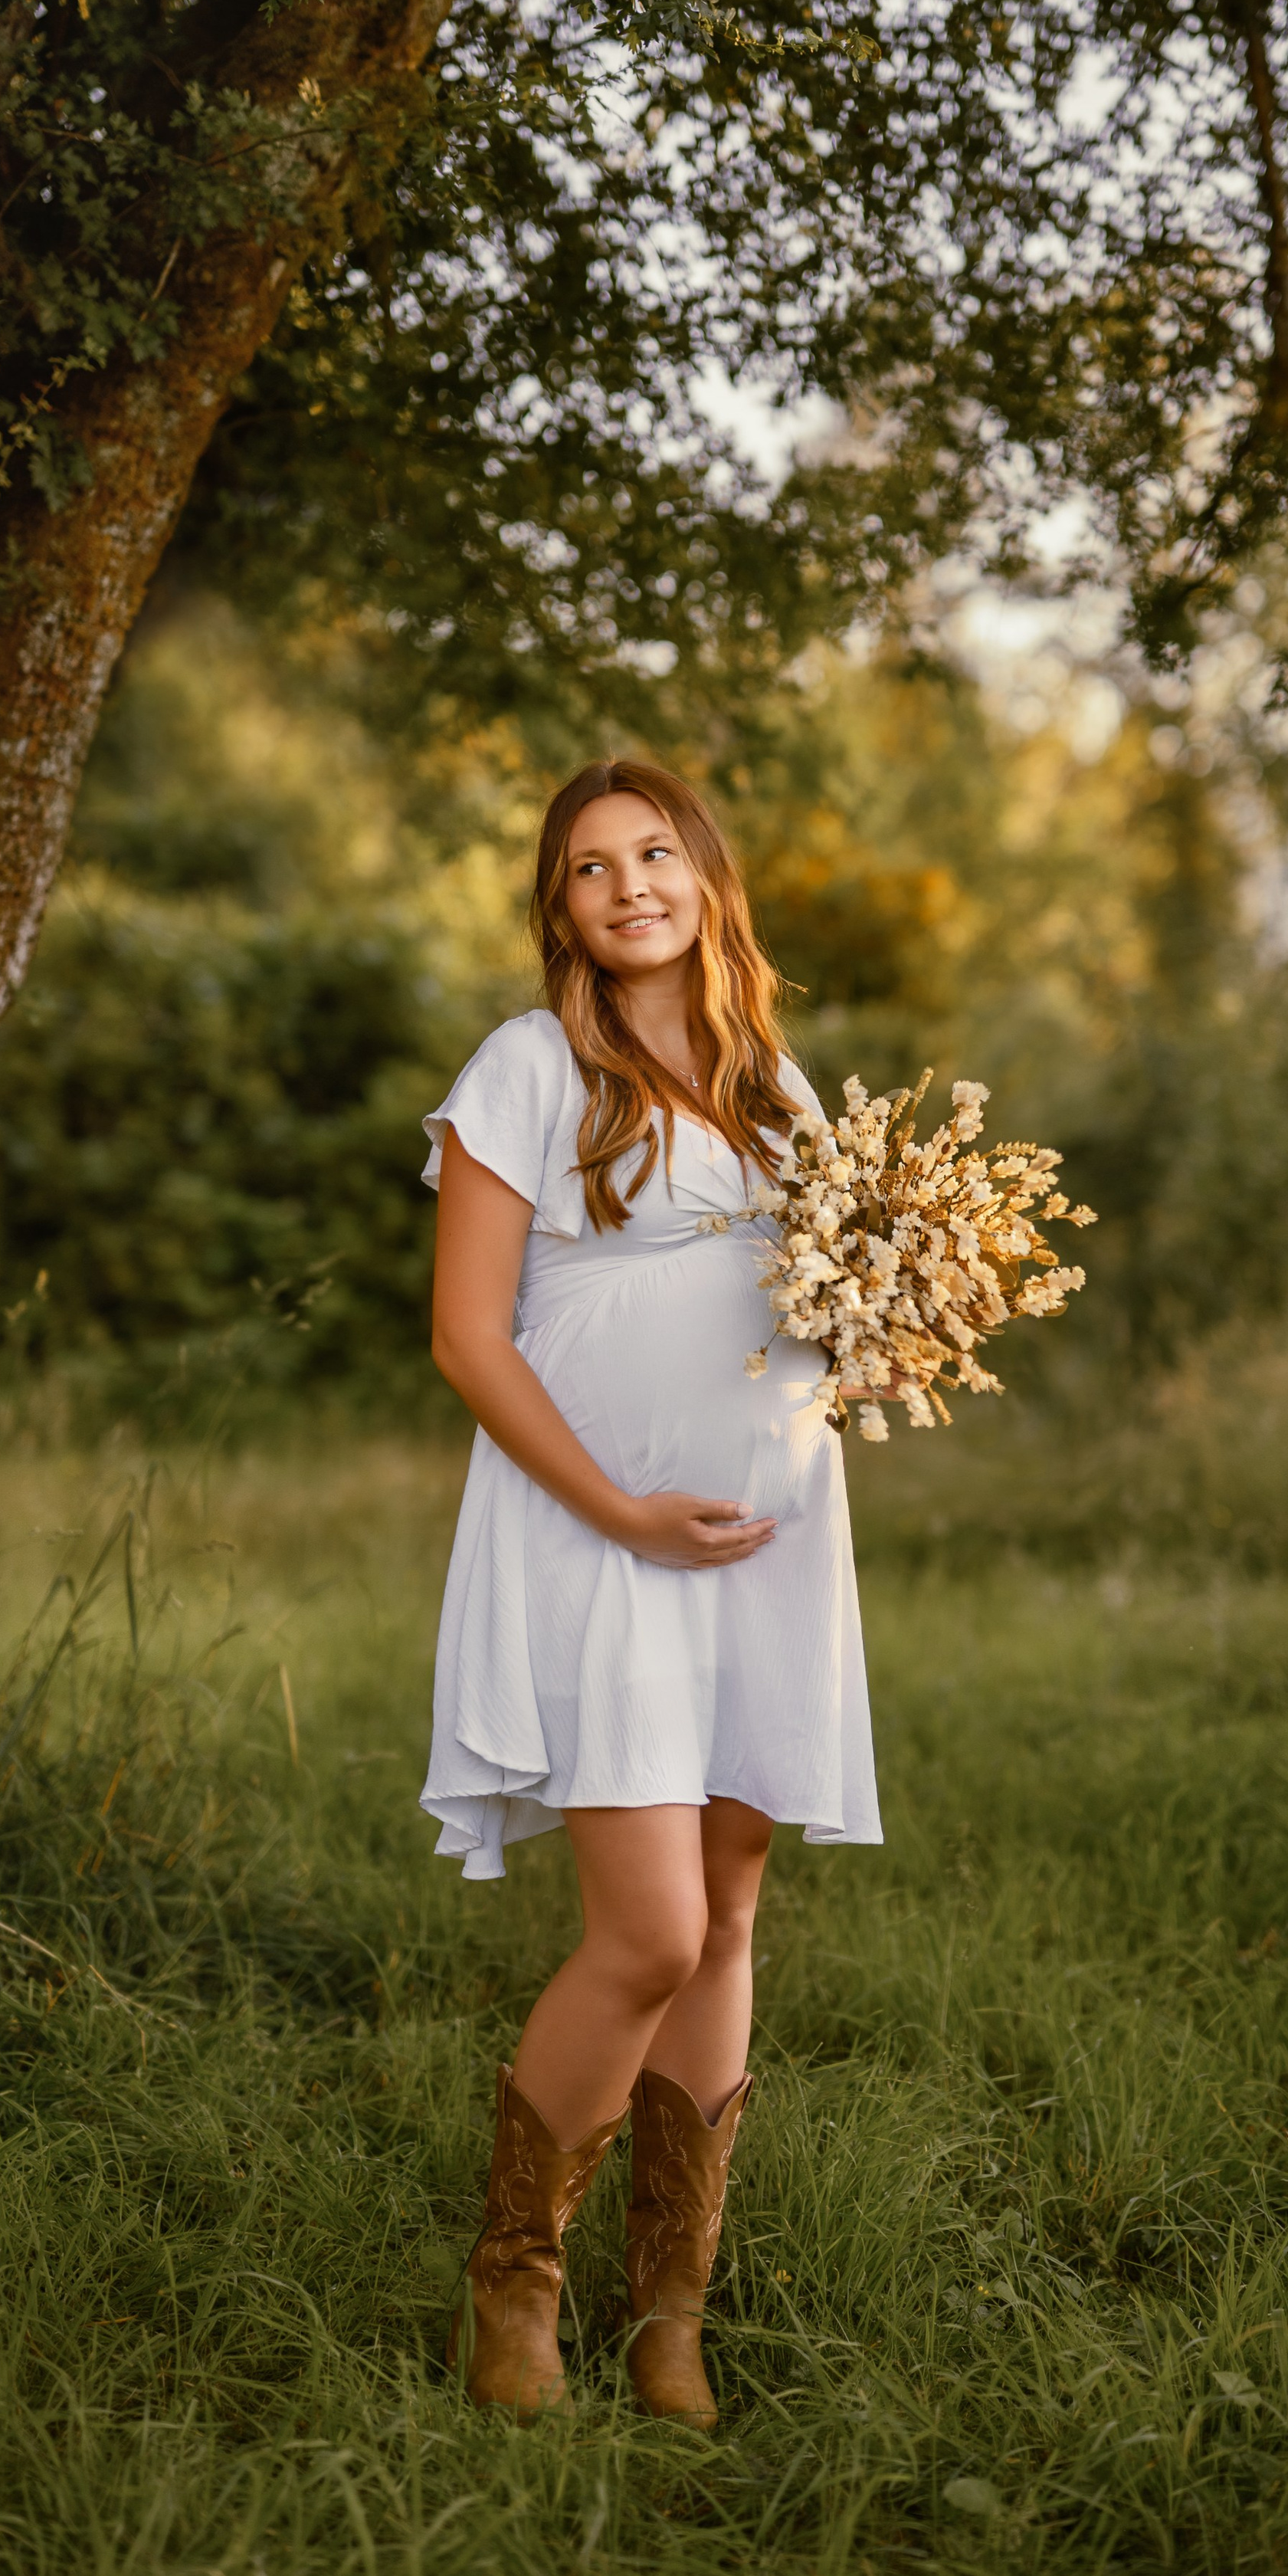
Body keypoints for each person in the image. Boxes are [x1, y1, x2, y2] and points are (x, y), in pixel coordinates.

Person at [421, 755, 881, 2423]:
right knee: (649, 1929)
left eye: (655, 853)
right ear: (560, 905)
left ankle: (667, 2314)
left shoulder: (778, 1081)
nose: (628, 886)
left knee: (734, 1914)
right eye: (590, 866)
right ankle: (515, 2292)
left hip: (763, 1534)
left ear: (706, 875)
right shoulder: (531, 1066)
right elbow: (466, 1333)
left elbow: (836, 1310)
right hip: (595, 1532)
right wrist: (619, 1506)